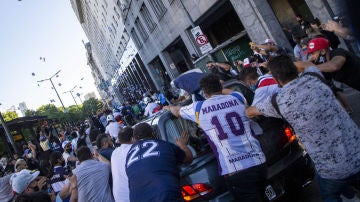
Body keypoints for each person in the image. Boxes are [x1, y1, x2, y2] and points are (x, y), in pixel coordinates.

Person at [246, 55, 360, 202]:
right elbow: (306, 64)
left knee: (329, 194)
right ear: (294, 68)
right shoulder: (314, 77)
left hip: (332, 170)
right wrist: (284, 64)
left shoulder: (278, 102)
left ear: (276, 79)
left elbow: (249, 112)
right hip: (357, 152)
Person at [166, 74, 267, 202]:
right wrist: (218, 88)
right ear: (220, 86)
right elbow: (229, 91)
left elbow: (177, 111)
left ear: (204, 92)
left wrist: (170, 107)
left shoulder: (198, 108)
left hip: (235, 171)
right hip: (258, 161)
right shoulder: (237, 98)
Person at [125, 123, 192, 201]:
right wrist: (182, 144)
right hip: (165, 195)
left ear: (134, 139)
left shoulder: (129, 155)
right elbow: (188, 158)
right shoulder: (163, 144)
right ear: (153, 134)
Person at [111, 127, 134, 202]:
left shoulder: (114, 153)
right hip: (131, 196)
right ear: (132, 138)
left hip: (118, 198)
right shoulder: (134, 149)